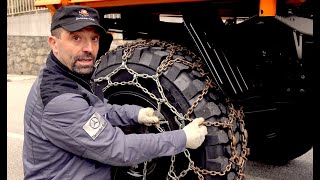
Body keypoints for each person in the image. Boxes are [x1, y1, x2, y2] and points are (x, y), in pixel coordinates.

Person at [23, 5, 207, 179]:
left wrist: (136, 114)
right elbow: (117, 148)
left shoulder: (72, 77)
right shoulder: (59, 99)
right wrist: (181, 138)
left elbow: (98, 113)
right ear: (54, 43)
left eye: (94, 39)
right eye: (76, 38)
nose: (88, 48)